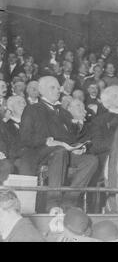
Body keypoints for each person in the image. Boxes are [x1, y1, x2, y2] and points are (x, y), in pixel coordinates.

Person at [19, 76, 98, 212]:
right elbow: (25, 138)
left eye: (58, 88)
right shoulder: (32, 109)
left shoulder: (64, 112)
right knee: (59, 151)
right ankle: (53, 203)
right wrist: (46, 141)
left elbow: (71, 138)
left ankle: (69, 202)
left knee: (91, 160)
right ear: (41, 90)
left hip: (63, 152)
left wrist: (78, 147)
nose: (58, 90)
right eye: (53, 87)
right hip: (40, 153)